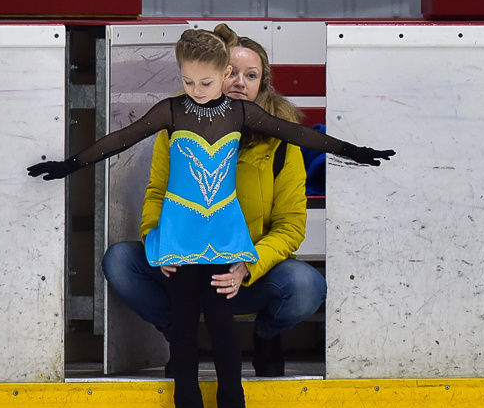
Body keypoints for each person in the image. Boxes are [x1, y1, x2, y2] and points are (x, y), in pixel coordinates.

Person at [28, 29, 394, 408]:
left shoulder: (247, 120)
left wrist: (354, 151)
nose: (206, 88)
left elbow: (303, 146)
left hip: (229, 246)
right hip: (182, 241)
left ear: (236, 79)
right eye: (190, 81)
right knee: (180, 325)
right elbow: (125, 147)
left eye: (245, 75)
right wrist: (72, 167)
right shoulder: (172, 114)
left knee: (225, 330)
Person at [103, 23, 327, 378]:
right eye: (231, 72)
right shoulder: (177, 127)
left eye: (251, 75)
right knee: (120, 262)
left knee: (306, 286)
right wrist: (159, 243)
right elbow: (157, 193)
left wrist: (247, 266)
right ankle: (182, 340)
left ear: (262, 85)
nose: (239, 82)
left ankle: (266, 336)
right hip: (186, 266)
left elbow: (290, 226)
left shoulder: (282, 143)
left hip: (244, 274)